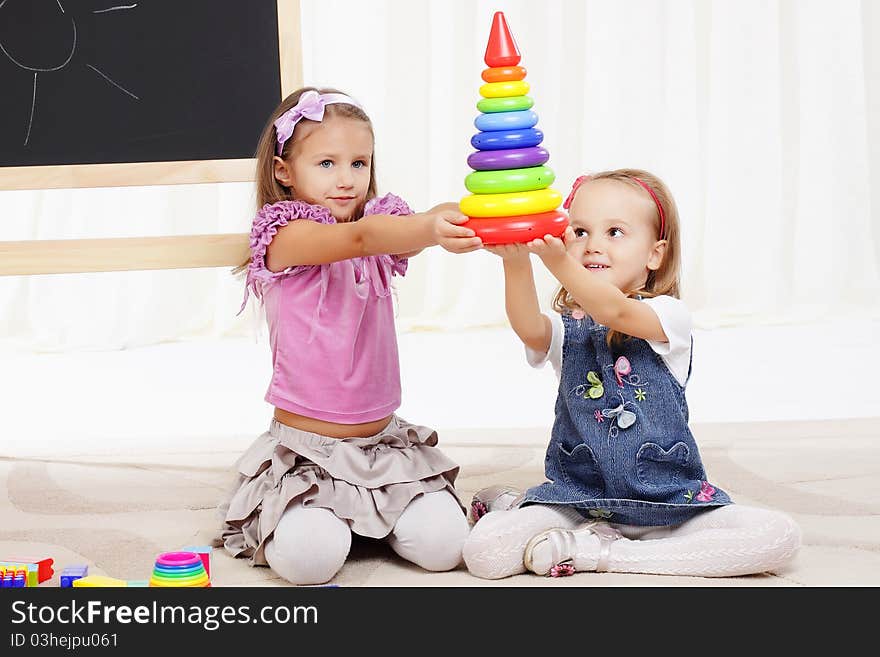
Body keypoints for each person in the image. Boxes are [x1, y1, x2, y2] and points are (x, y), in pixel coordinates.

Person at [463, 169, 801, 579]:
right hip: (579, 500)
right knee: (484, 552)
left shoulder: (668, 318)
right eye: (580, 231)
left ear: (655, 255)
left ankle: (597, 554)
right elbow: (529, 327)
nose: (593, 246)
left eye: (615, 232)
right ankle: (526, 511)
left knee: (776, 537)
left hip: (673, 504)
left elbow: (616, 311)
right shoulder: (568, 327)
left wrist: (556, 260)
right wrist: (515, 262)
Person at [217, 87, 480, 585]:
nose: (346, 179)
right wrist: (427, 228)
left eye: (359, 163)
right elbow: (359, 239)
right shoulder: (286, 237)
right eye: (327, 163)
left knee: (448, 546)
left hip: (384, 448)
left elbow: (401, 227)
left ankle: (372, 516)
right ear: (283, 171)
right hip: (310, 454)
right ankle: (316, 517)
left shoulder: (382, 223)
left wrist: (470, 214)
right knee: (309, 562)